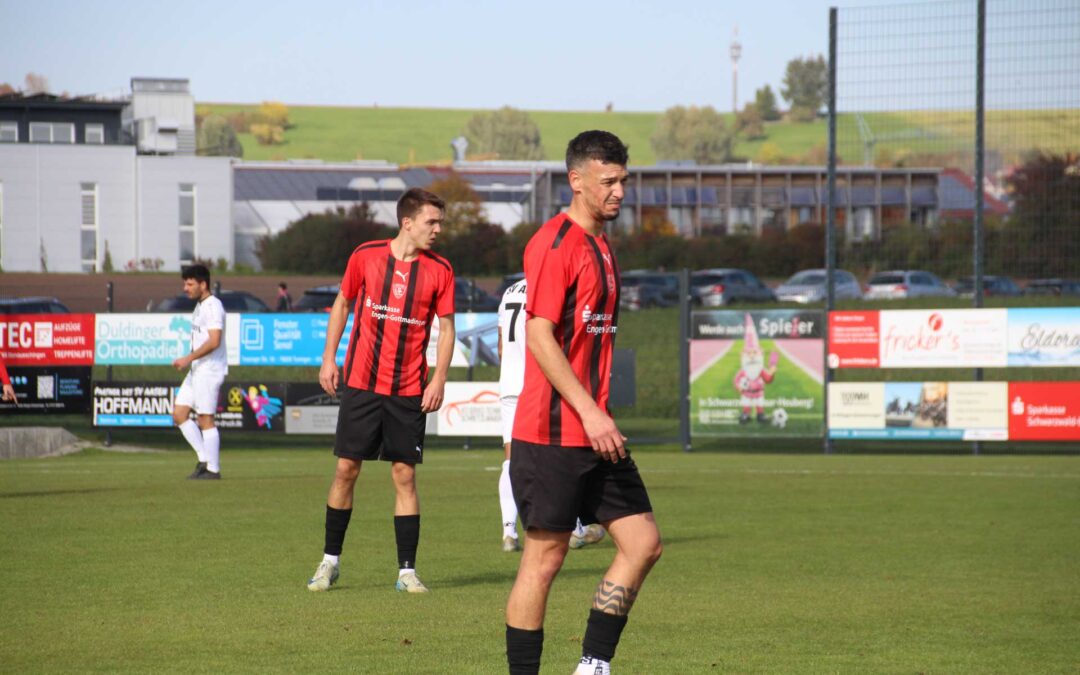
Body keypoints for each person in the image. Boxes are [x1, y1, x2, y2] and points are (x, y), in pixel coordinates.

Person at [505, 131, 662, 675]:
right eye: (608, 182)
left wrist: (599, 416)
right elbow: (540, 335)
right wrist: (591, 411)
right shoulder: (555, 244)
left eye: (623, 181)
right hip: (552, 434)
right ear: (576, 181)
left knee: (642, 543)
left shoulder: (602, 245)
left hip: (597, 435)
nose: (620, 192)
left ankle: (592, 666)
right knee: (544, 560)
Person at [307, 187, 456, 594]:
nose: (437, 230)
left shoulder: (440, 270)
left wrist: (439, 377)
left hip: (408, 388)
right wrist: (327, 358)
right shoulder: (366, 256)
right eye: (432, 222)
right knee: (345, 469)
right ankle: (329, 562)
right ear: (407, 222)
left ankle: (407, 571)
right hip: (360, 382)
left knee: (404, 475)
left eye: (440, 222)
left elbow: (447, 330)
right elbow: (342, 304)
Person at [497, 277, 606, 553]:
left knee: (512, 459)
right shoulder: (548, 287)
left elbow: (501, 346)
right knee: (558, 454)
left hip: (509, 384)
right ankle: (575, 528)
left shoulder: (510, 290)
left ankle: (508, 532)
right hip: (538, 384)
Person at [171, 264, 227, 480]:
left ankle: (213, 469)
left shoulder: (213, 306)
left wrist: (188, 358)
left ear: (203, 284)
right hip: (197, 370)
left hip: (209, 370)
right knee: (179, 414)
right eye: (185, 283)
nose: (186, 287)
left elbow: (214, 341)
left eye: (190, 283)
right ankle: (204, 459)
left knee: (205, 418)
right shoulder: (200, 306)